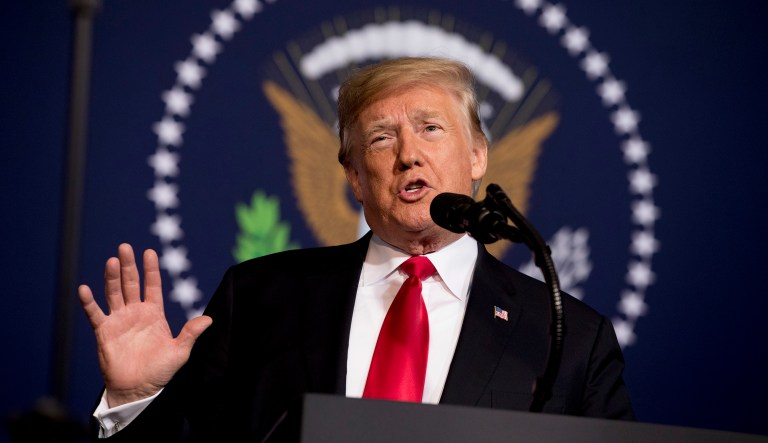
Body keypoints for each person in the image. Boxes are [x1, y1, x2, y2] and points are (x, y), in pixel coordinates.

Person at [78, 57, 634, 441]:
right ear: (354, 177)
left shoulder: (571, 338)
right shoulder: (257, 297)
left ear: (478, 157)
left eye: (431, 128)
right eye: (380, 138)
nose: (409, 154)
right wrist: (138, 400)